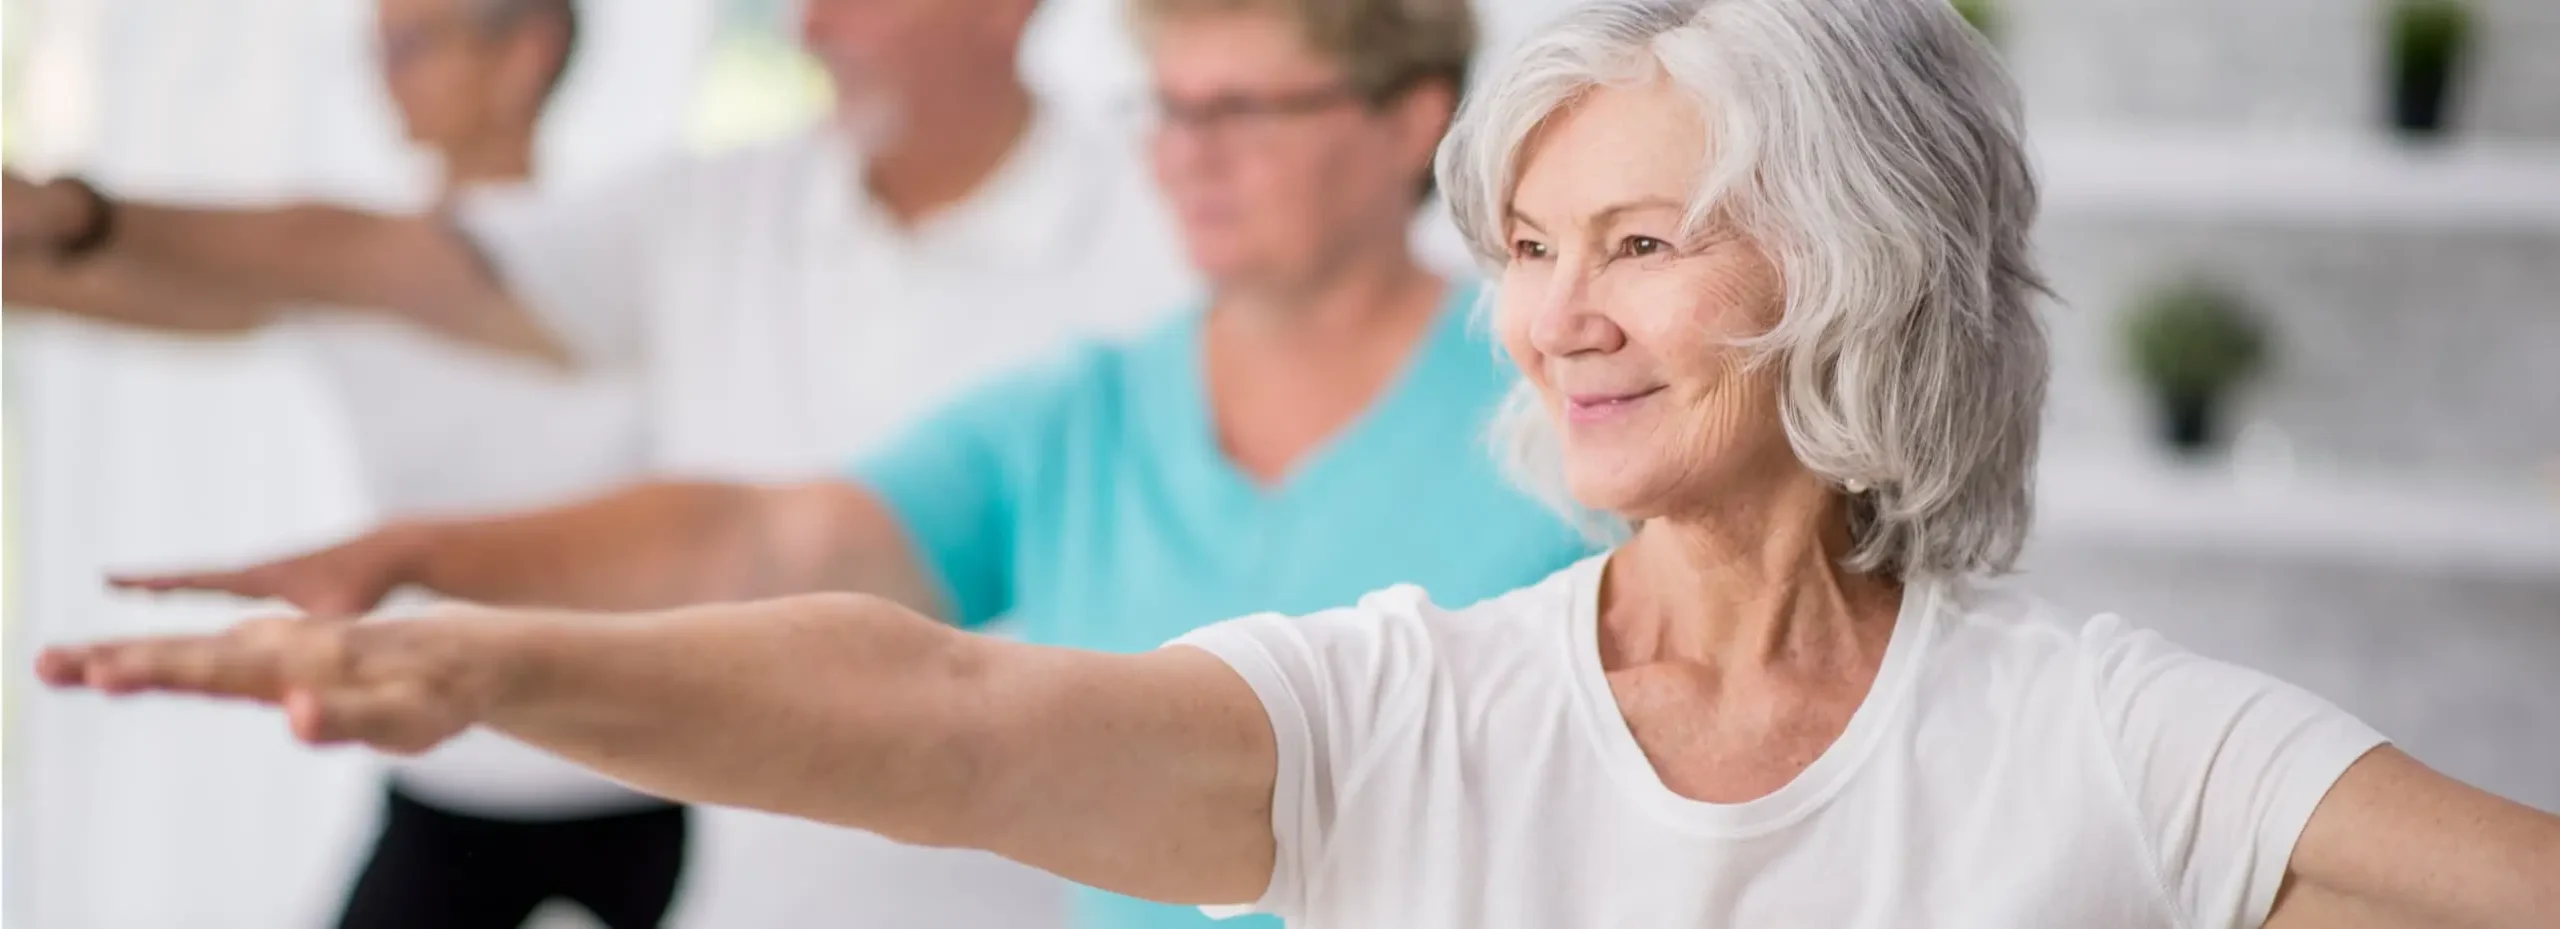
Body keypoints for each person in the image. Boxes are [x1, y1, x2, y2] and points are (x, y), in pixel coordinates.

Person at [43, 0, 2560, 926]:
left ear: (1861, 270)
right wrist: (482, 651)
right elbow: (932, 710)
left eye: (1645, 240)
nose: (1559, 310)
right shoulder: (1406, 707)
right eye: (1535, 243)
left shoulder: (2099, 733)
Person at [61, 1, 1590, 928]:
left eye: (1244, 110)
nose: (1190, 150)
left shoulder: (1568, 395)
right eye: (1170, 108)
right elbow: (773, 543)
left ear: (1413, 123)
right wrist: (430, 569)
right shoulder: (1082, 416)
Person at [9, 3, 680, 928]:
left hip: (646, 768)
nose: (384, 76)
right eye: (377, 49)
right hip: (451, 763)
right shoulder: (340, 273)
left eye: (413, 46)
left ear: (525, 51)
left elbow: (336, 251)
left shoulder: (624, 246)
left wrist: (67, 210)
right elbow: (93, 279)